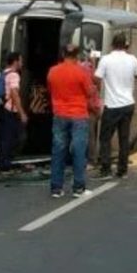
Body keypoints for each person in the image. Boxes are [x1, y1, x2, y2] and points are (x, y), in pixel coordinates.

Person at [47, 44, 96, 198]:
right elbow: (89, 92)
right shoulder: (81, 72)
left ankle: (56, 188)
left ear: (63, 54)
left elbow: (50, 89)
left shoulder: (53, 71)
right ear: (77, 55)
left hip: (59, 113)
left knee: (58, 150)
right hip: (78, 115)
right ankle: (78, 188)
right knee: (79, 150)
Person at [94, 34, 137, 179]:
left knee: (105, 138)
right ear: (126, 45)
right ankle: (122, 170)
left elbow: (97, 77)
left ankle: (105, 169)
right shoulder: (132, 59)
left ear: (112, 44)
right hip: (128, 103)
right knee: (124, 138)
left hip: (112, 104)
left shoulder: (106, 59)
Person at [0, 52, 27, 175]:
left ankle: (3, 163)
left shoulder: (3, 73)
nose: (22, 63)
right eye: (20, 60)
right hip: (10, 110)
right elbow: (14, 94)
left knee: (4, 137)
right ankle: (6, 164)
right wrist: (22, 113)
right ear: (15, 61)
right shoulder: (14, 75)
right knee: (16, 137)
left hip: (1, 108)